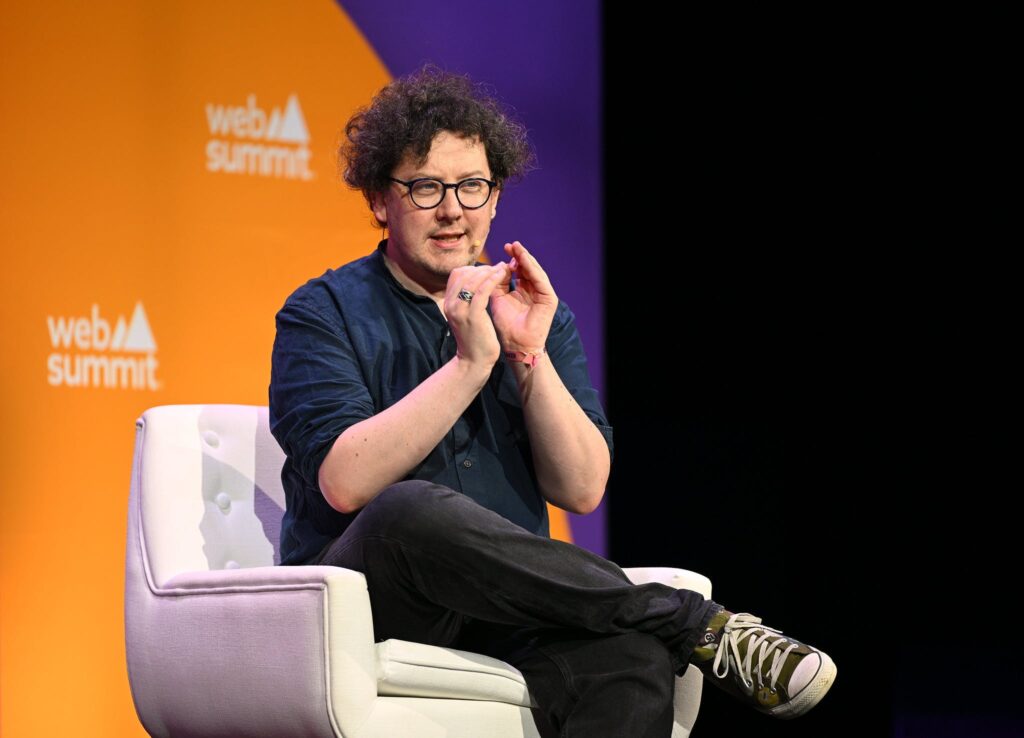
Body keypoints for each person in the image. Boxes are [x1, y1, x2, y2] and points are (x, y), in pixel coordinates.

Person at [269, 64, 836, 737]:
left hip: (503, 607)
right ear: (379, 201)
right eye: (426, 187)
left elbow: (584, 487)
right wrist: (471, 362)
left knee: (632, 658)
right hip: (372, 598)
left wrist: (526, 356)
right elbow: (344, 482)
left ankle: (666, 628)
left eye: (472, 186)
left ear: (496, 196)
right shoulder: (322, 311)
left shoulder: (535, 313)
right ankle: (692, 623)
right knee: (407, 510)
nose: (452, 209)